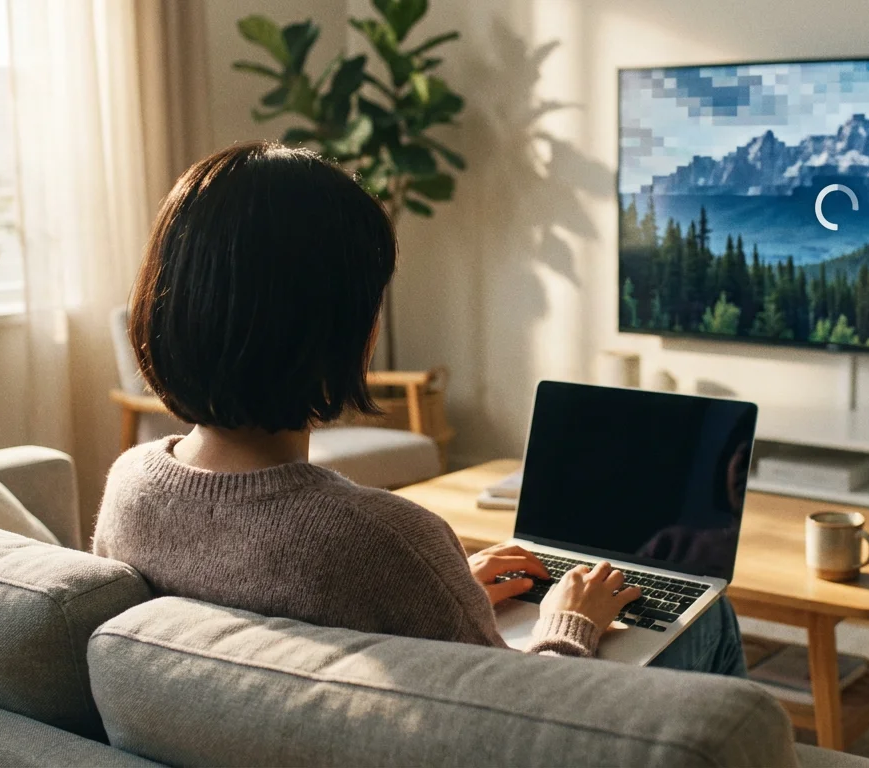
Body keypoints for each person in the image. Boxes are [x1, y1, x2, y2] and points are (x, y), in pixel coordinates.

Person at [92, 141, 744, 673]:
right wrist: (569, 622)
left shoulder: (130, 487)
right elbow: (520, 724)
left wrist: (449, 584)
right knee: (711, 614)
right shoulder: (382, 539)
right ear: (341, 327)